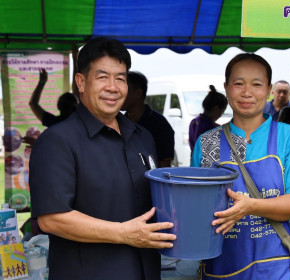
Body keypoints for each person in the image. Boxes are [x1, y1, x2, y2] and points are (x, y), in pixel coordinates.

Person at [29, 37, 176, 280]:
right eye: (102, 77)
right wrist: (122, 233)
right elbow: (52, 219)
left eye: (120, 78)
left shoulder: (143, 137)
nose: (113, 87)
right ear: (81, 82)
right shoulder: (57, 141)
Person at [191, 53, 290, 279]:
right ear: (226, 88)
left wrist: (250, 206)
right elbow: (193, 207)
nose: (247, 93)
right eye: (238, 84)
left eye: (256, 84)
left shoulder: (289, 137)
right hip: (221, 269)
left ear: (269, 89)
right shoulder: (207, 142)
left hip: (280, 270)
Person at [121, 71, 175, 167]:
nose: (119, 94)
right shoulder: (117, 122)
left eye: (124, 90)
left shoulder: (159, 124)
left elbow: (164, 166)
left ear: (138, 93)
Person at [188, 85, 228, 152]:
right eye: (222, 112)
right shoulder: (209, 127)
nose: (220, 115)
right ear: (216, 109)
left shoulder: (194, 122)